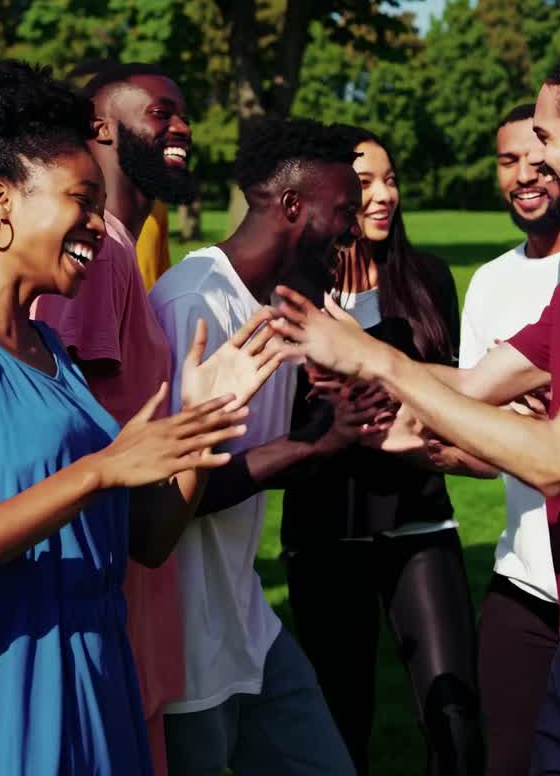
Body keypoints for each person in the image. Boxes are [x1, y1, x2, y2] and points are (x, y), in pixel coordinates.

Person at [273, 37, 560, 775]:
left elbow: (557, 455)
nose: (531, 160)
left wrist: (376, 361)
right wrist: (357, 358)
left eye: (546, 136)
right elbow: (470, 383)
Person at [0, 60, 252, 775]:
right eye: (82, 200)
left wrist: (203, 419)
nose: (100, 226)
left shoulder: (51, 350)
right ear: (0, 202)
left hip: (100, 679)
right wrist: (96, 472)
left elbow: (148, 541)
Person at [35, 63, 293, 773]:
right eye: (159, 112)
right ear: (99, 125)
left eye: (182, 114)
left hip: (137, 589)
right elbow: (59, 425)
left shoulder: (126, 241)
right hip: (105, 589)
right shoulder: (101, 252)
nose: (180, 127)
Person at [150, 118, 367, 776]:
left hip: (246, 622)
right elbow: (170, 494)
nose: (354, 232)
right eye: (343, 213)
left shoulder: (281, 304)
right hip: (186, 641)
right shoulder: (192, 305)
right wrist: (312, 447)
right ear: (293, 207)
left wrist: (340, 411)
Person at [282, 125, 484, 776]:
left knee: (455, 718)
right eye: (365, 182)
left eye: (391, 179)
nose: (383, 196)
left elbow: (456, 402)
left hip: (420, 517)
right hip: (325, 531)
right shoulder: (294, 296)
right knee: (341, 723)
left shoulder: (426, 278)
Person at [457, 103, 560, 776]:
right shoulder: (488, 282)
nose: (523, 176)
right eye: (508, 162)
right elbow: (470, 436)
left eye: (538, 160)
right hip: (524, 584)